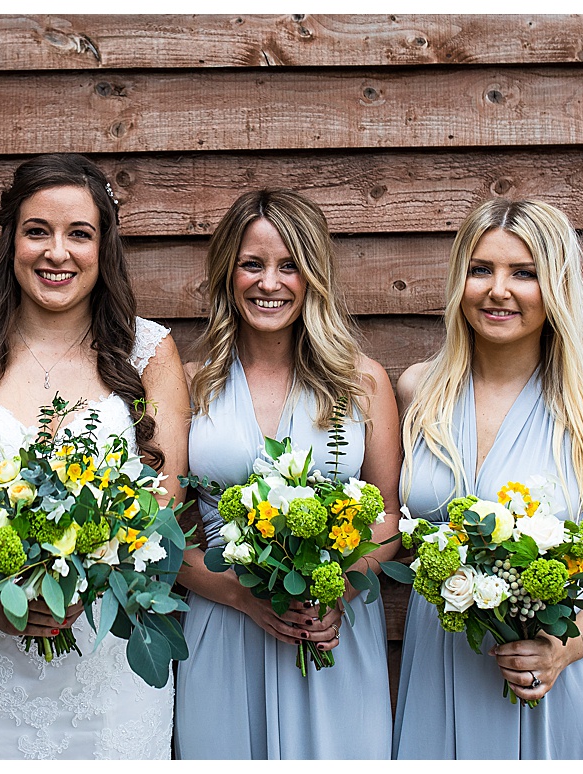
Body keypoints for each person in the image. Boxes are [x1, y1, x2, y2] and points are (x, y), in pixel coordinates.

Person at [0, 153, 190, 759]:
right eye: (37, 231)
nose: (56, 252)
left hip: (109, 656)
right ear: (10, 239)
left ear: (104, 245)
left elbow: (164, 502)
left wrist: (94, 567)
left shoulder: (150, 354)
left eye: (79, 234)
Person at [391, 199, 583, 759]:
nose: (498, 290)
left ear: (556, 286)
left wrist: (563, 649)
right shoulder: (419, 393)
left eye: (524, 273)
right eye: (481, 269)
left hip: (553, 675)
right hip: (442, 667)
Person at [171, 190, 400, 759]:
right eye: (252, 264)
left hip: (330, 628)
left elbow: (391, 516)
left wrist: (332, 591)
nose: (269, 283)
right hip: (223, 622)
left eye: (289, 265)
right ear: (228, 273)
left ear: (313, 276)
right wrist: (243, 596)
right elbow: (160, 532)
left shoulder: (362, 383)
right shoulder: (189, 384)